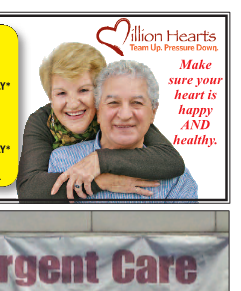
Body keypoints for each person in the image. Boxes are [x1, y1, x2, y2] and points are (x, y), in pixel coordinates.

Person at [17, 41, 186, 202]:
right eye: (61, 93)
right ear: (50, 97)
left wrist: (100, 159)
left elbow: (171, 160)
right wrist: (102, 182)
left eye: (83, 90)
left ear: (100, 93)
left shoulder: (116, 114)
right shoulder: (41, 121)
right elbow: (29, 190)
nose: (74, 103)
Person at [48, 61, 198, 201]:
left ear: (153, 112)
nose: (125, 115)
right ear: (98, 111)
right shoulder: (63, 161)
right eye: (113, 103)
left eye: (137, 103)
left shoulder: (177, 180)